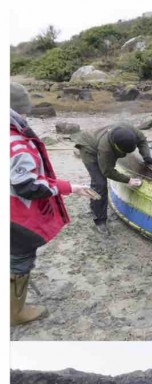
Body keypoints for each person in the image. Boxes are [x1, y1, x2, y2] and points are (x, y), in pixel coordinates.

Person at [10, 84, 96, 325]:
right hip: (17, 214)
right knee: (20, 257)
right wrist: (68, 187)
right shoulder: (16, 141)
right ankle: (15, 313)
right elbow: (27, 184)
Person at [75, 122, 152, 236]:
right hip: (88, 146)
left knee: (97, 181)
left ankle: (94, 205)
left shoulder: (131, 131)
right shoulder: (106, 149)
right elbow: (107, 171)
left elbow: (142, 140)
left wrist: (146, 156)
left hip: (98, 138)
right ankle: (100, 220)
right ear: (116, 147)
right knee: (100, 183)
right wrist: (128, 180)